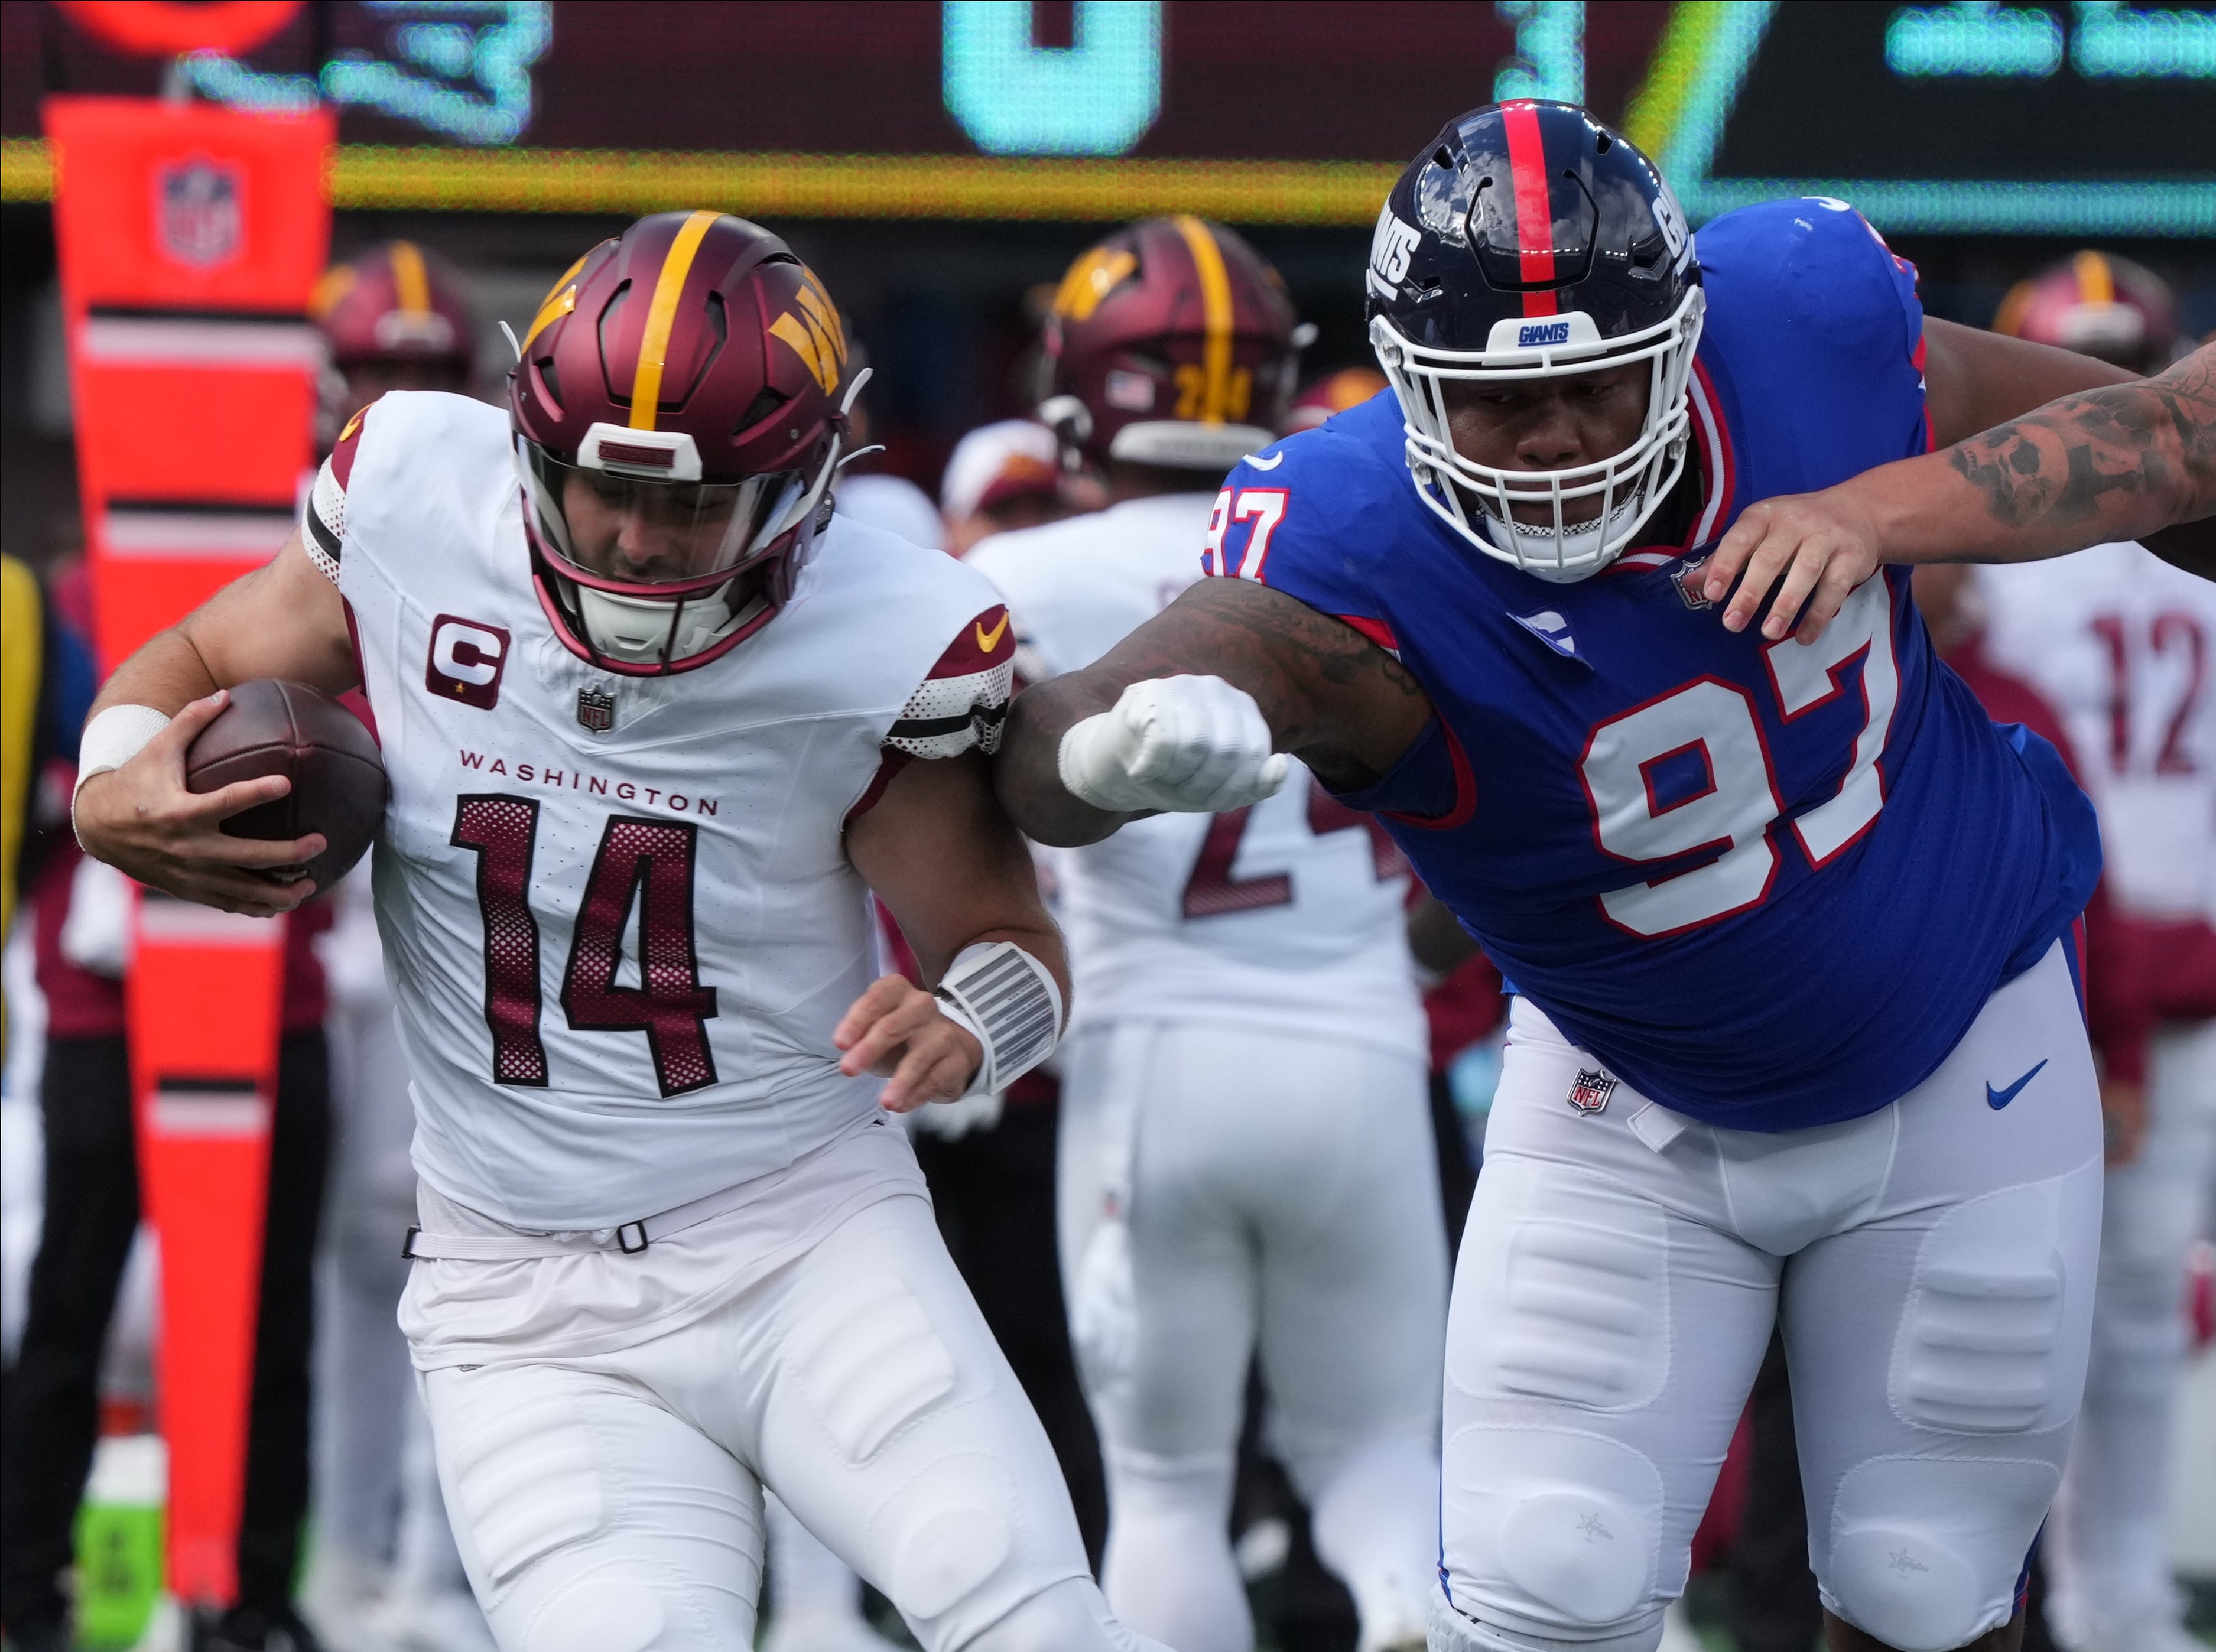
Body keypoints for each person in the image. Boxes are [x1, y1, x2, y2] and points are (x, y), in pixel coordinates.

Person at [990, 100, 2195, 1652]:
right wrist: (1109, 753)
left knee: (1917, 1586)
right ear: (1413, 384)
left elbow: (2176, 435)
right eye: (1503, 402)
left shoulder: (1801, 326)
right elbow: (1071, 733)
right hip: (1626, 1091)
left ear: (1682, 335)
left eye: (1596, 379)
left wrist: (1872, 507)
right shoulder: (1345, 534)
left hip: (1958, 1030)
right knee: (1544, 1581)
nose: (1556, 434)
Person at [67, 209, 1165, 1652]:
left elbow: (1008, 938)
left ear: (805, 490)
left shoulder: (884, 631)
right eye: (599, 491)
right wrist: (110, 778)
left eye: (696, 506)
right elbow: (202, 653)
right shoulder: (414, 497)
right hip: (521, 1300)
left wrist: (970, 1023)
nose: (640, 539)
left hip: (805, 1239)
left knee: (1029, 1617)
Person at [970, 217, 1448, 1652]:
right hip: (1364, 1048)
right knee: (1380, 1467)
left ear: (1077, 386)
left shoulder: (1025, 576)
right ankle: (1405, 1612)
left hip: (1154, 1056)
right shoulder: (1375, 542)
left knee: (1169, 1490)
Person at [2, 563, 332, 1652]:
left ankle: (251, 1597)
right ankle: (24, 1588)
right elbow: (60, 771)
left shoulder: (324, 584)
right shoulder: (70, 598)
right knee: (70, 1299)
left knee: (271, 1307)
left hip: (270, 994)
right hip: (104, 998)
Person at [1973, 252, 2216, 1652]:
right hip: (2077, 977)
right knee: (2065, 1310)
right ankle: (2100, 1599)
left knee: (2081, 1308)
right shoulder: (2006, 569)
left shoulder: (2016, 552)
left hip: (2092, 976)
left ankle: (2111, 1601)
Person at [299, 238, 493, 1652]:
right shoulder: (313, 523)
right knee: (360, 1278)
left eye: (423, 374)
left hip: (465, 940)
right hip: (334, 956)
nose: (402, 397)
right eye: (384, 370)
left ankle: (438, 1571)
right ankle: (345, 1558)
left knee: (460, 1277)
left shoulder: (495, 530)